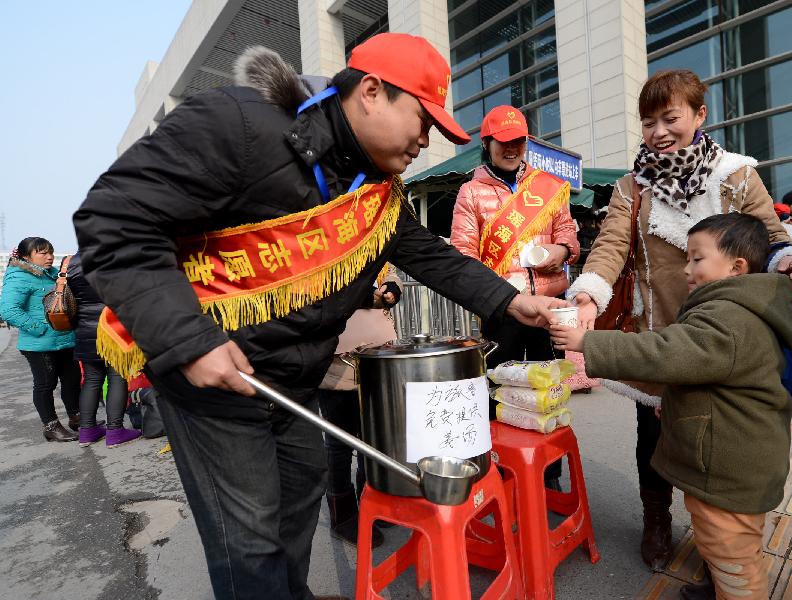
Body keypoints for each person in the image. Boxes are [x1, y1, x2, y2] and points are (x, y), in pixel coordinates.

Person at [73, 34, 564, 600]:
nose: (424, 143)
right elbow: (113, 220)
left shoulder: (377, 187)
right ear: (373, 92)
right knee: (249, 541)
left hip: (299, 381)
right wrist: (188, 340)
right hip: (217, 384)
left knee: (296, 517)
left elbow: (428, 255)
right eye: (422, 122)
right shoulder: (237, 123)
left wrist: (508, 300)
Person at [566, 69, 792, 571]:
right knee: (652, 437)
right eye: (648, 121)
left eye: (670, 117)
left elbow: (769, 237)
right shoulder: (630, 187)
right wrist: (589, 295)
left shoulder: (737, 175)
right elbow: (612, 246)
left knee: (718, 442)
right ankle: (657, 522)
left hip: (728, 336)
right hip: (657, 332)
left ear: (699, 115)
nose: (658, 131)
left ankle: (716, 542)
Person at [552, 212, 792, 600]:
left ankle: (733, 590)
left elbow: (667, 353)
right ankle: (719, 585)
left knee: (733, 553)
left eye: (697, 259)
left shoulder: (730, 315)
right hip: (728, 462)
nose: (686, 269)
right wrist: (672, 403)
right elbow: (709, 373)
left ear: (737, 267)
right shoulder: (736, 306)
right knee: (720, 543)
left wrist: (588, 342)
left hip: (730, 468)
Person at [450, 104, 579, 369]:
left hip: (549, 304)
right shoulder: (470, 192)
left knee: (550, 386)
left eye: (518, 141)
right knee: (500, 386)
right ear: (487, 143)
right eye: (504, 141)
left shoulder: (549, 185)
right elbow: (464, 253)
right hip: (501, 307)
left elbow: (567, 230)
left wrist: (563, 250)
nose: (511, 149)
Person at [318, 270, 402, 548]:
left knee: (374, 439)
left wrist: (392, 289)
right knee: (340, 443)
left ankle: (372, 503)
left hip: (377, 358)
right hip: (337, 362)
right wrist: (366, 296)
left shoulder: (368, 241)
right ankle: (342, 515)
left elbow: (389, 272)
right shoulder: (321, 244)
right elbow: (322, 287)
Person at [0, 238, 80, 442]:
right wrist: (41, 328)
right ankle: (51, 426)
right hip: (39, 344)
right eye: (42, 253)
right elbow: (9, 310)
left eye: (50, 252)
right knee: (45, 384)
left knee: (71, 381)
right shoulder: (18, 276)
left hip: (65, 339)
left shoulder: (54, 274)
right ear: (26, 257)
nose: (50, 257)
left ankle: (77, 417)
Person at [67, 253, 142, 448]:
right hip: (111, 327)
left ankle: (87, 431)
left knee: (92, 380)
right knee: (117, 376)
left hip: (84, 329)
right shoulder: (114, 257)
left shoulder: (72, 261)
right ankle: (115, 430)